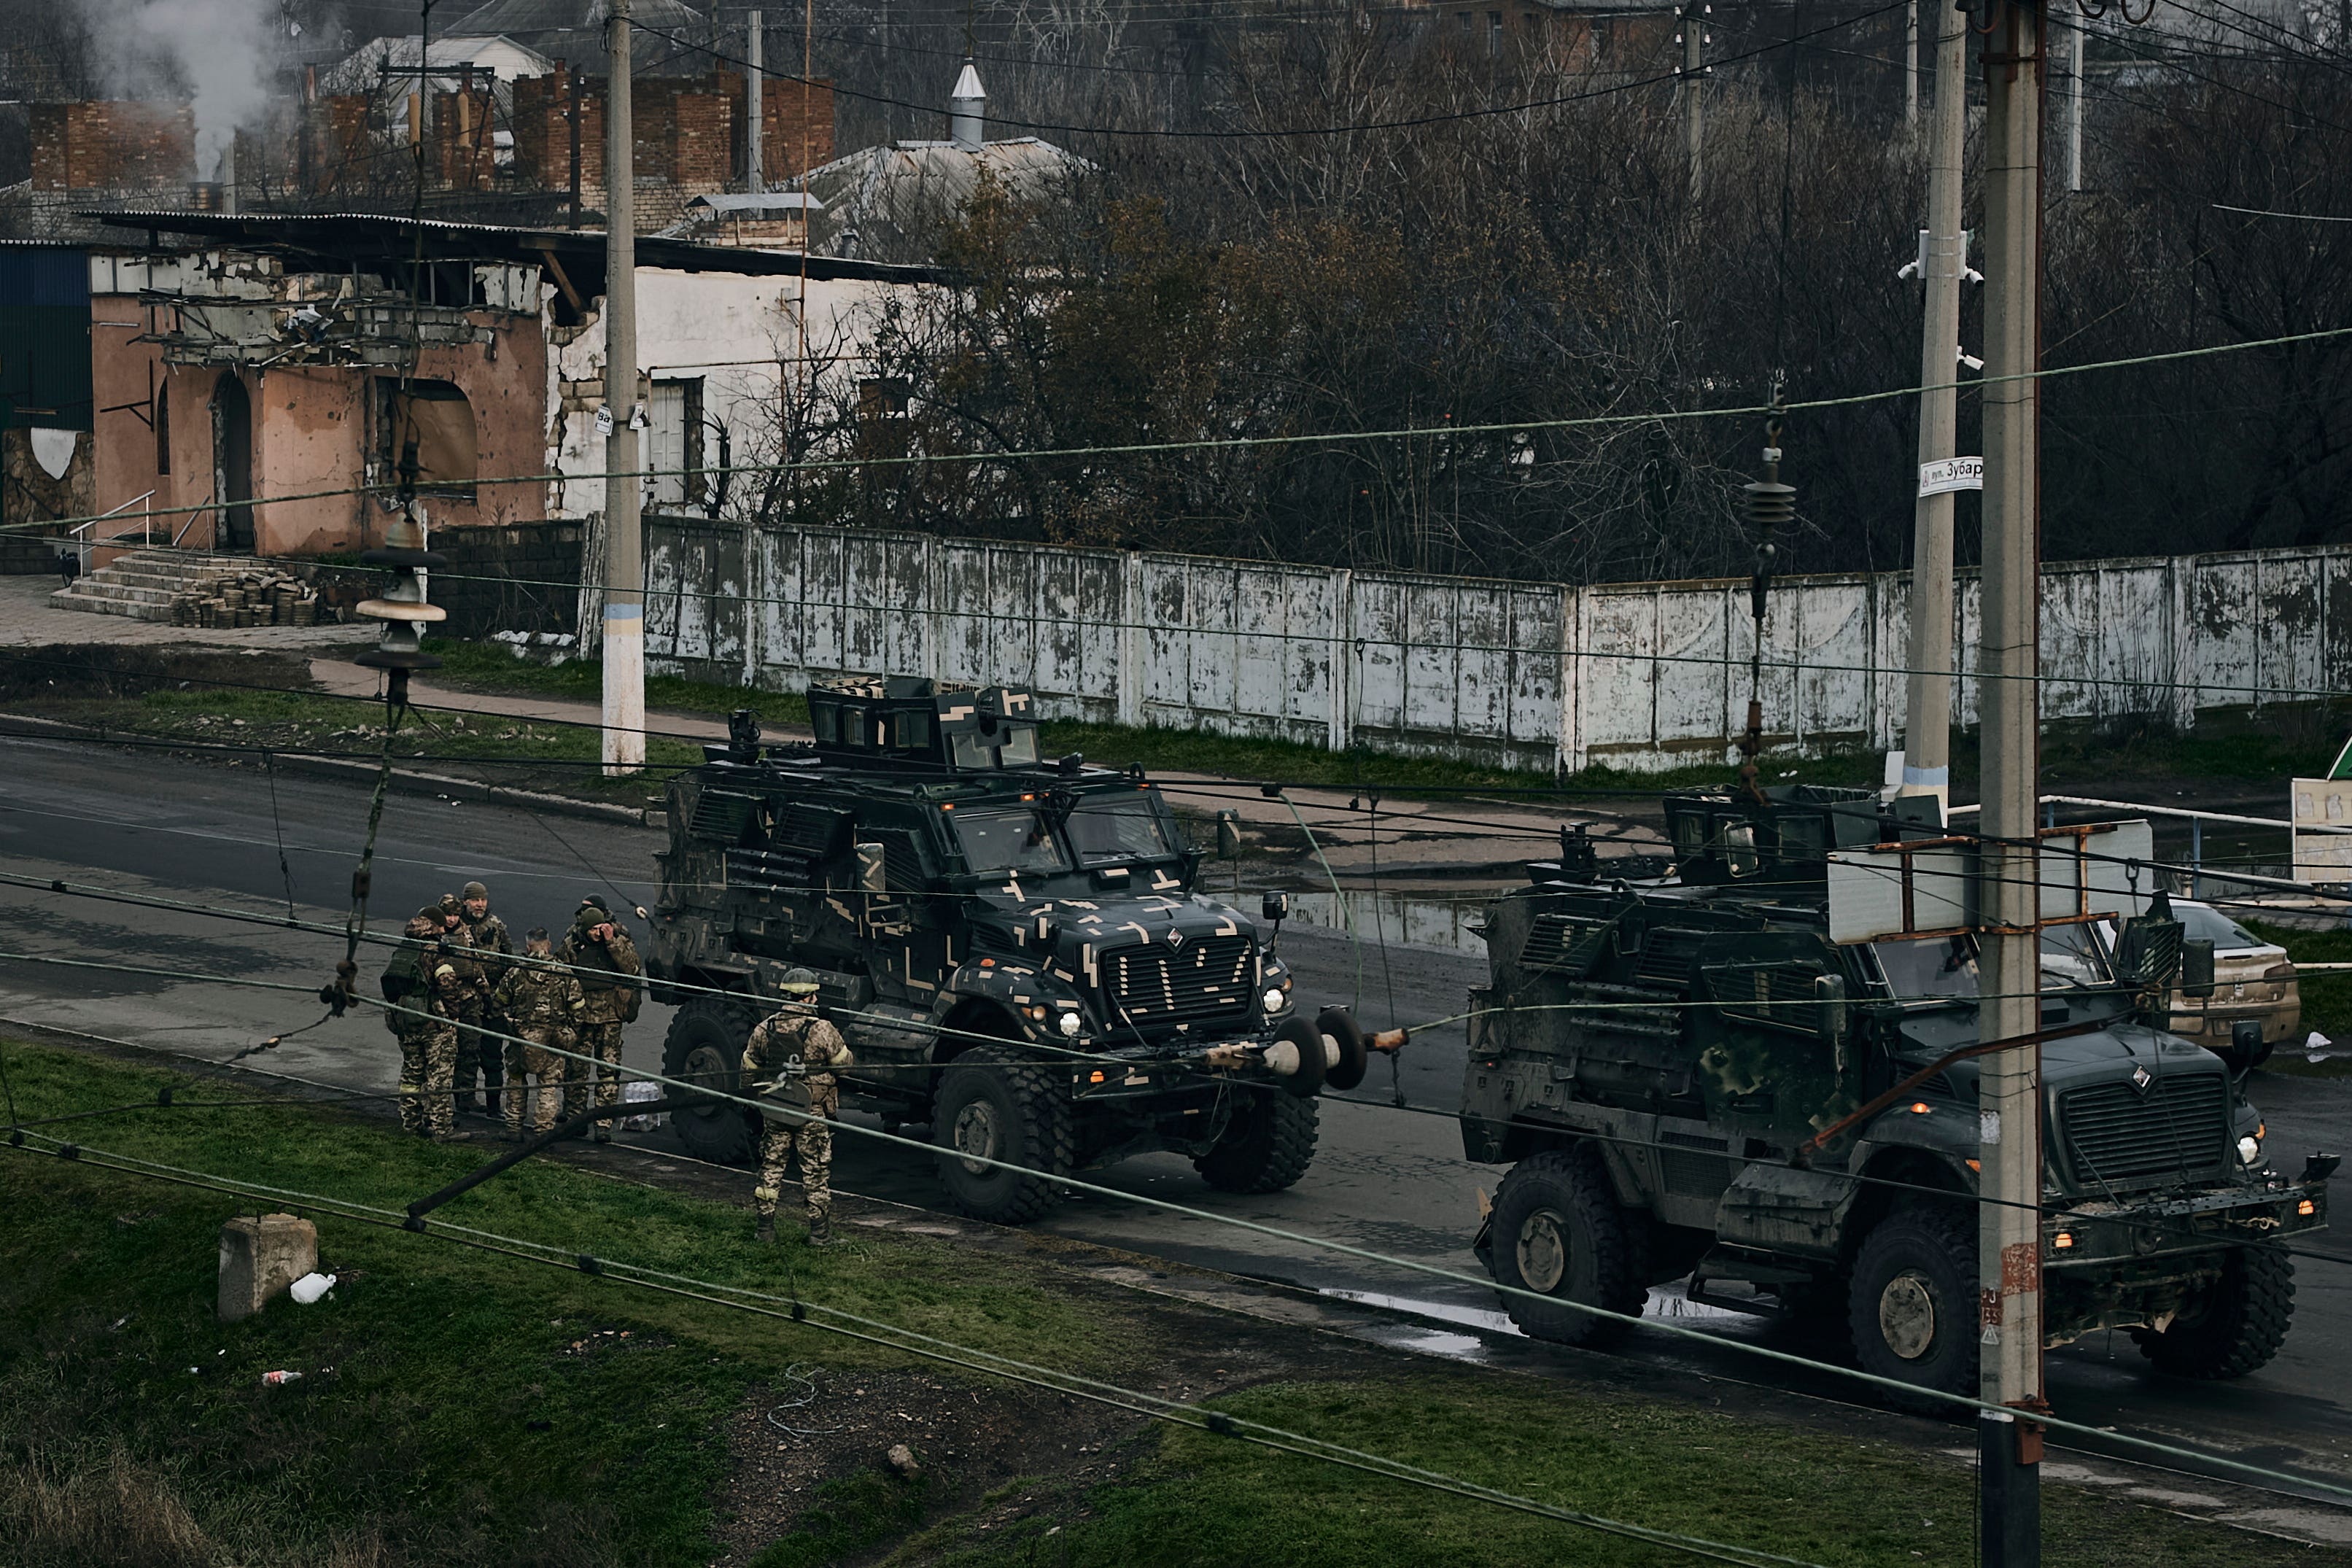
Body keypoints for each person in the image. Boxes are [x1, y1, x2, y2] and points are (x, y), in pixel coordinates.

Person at [741, 969, 853, 1245]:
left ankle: (765, 1231)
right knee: (815, 1171)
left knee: (771, 1168)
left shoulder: (764, 1028)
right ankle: (819, 1234)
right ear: (807, 998)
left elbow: (748, 1070)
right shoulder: (822, 1029)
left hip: (776, 1109)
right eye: (814, 996)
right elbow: (845, 1066)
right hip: (811, 1112)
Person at [379, 905, 472, 1141]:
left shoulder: (405, 946)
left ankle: (411, 1124)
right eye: (442, 925)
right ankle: (442, 1129)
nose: (444, 929)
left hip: (406, 1019)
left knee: (411, 1075)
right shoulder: (435, 950)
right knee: (439, 1075)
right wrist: (454, 1015)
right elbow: (447, 984)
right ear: (435, 925)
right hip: (433, 1021)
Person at [560, 896, 643, 1141]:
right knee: (577, 1071)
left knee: (608, 1072)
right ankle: (576, 1120)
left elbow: (632, 969)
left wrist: (612, 943)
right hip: (582, 1017)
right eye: (593, 930)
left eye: (600, 928)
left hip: (609, 1017)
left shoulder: (617, 941)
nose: (597, 933)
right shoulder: (571, 945)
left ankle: (603, 1124)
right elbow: (561, 976)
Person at [492, 926, 583, 1141]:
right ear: (549, 945)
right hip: (552, 1040)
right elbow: (578, 1009)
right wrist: (569, 1032)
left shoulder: (515, 972)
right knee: (548, 1088)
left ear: (527, 946)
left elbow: (499, 1003)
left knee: (515, 1082)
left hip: (520, 1038)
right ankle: (544, 1133)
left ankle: (513, 1129)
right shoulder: (563, 973)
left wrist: (511, 1023)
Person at [456, 880, 515, 1117]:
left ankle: (493, 1106)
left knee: (493, 1056)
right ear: (465, 902)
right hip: (466, 999)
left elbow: (509, 960)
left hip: (492, 1000)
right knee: (466, 1053)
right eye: (475, 900)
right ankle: (464, 1100)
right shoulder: (456, 928)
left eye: (483, 900)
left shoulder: (496, 926)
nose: (480, 904)